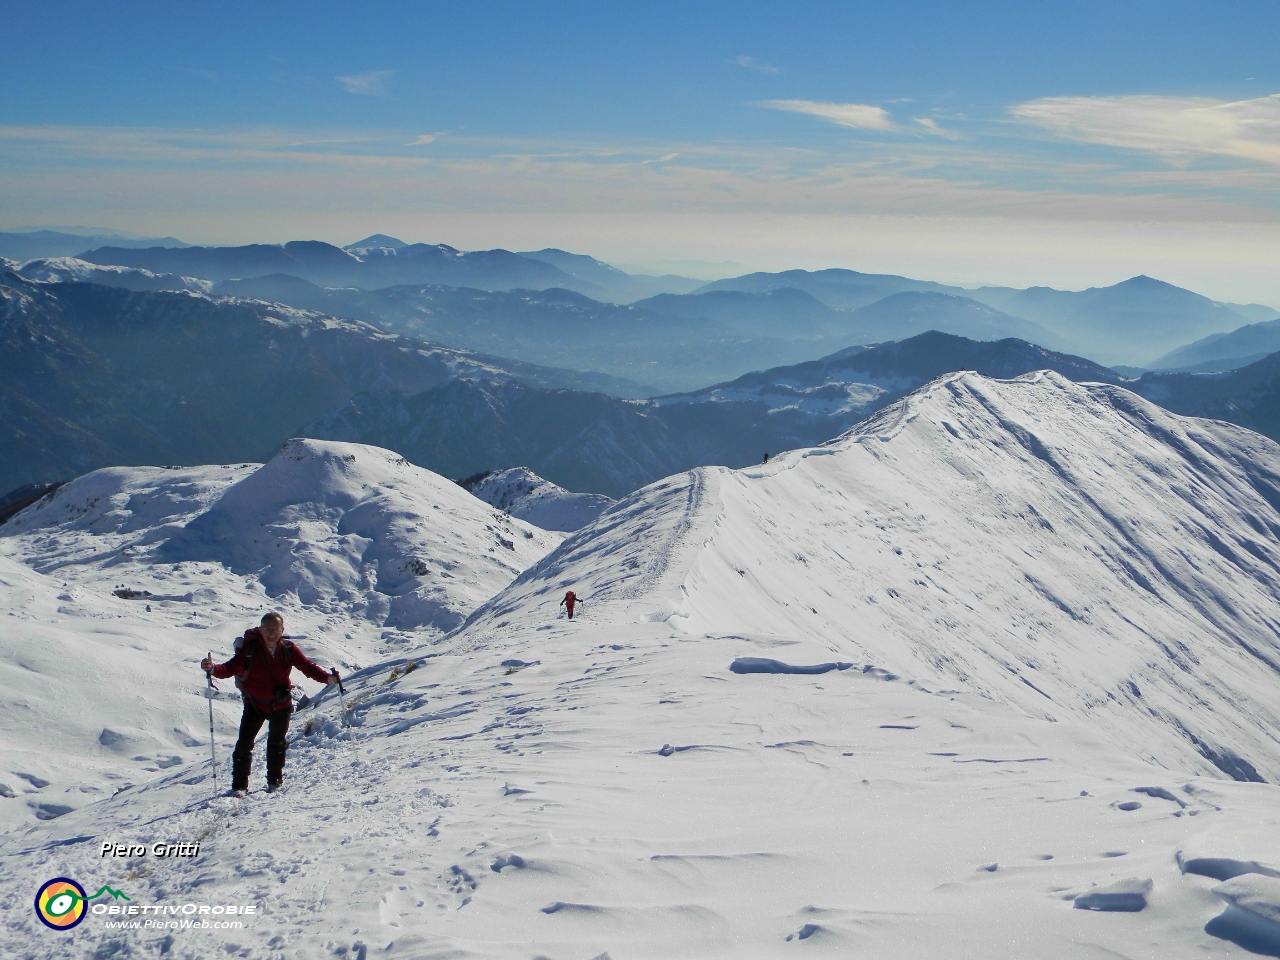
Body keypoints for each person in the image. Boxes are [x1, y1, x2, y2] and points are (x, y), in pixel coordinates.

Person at [200, 612, 338, 795]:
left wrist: (327, 678)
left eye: (275, 629)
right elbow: (230, 668)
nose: (271, 633)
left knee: (277, 744)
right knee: (244, 745)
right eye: (267, 629)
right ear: (260, 630)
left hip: (280, 705)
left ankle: (275, 781)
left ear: (282, 630)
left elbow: (307, 667)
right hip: (254, 705)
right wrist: (212, 669)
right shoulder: (250, 650)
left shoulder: (289, 649)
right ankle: (240, 786)